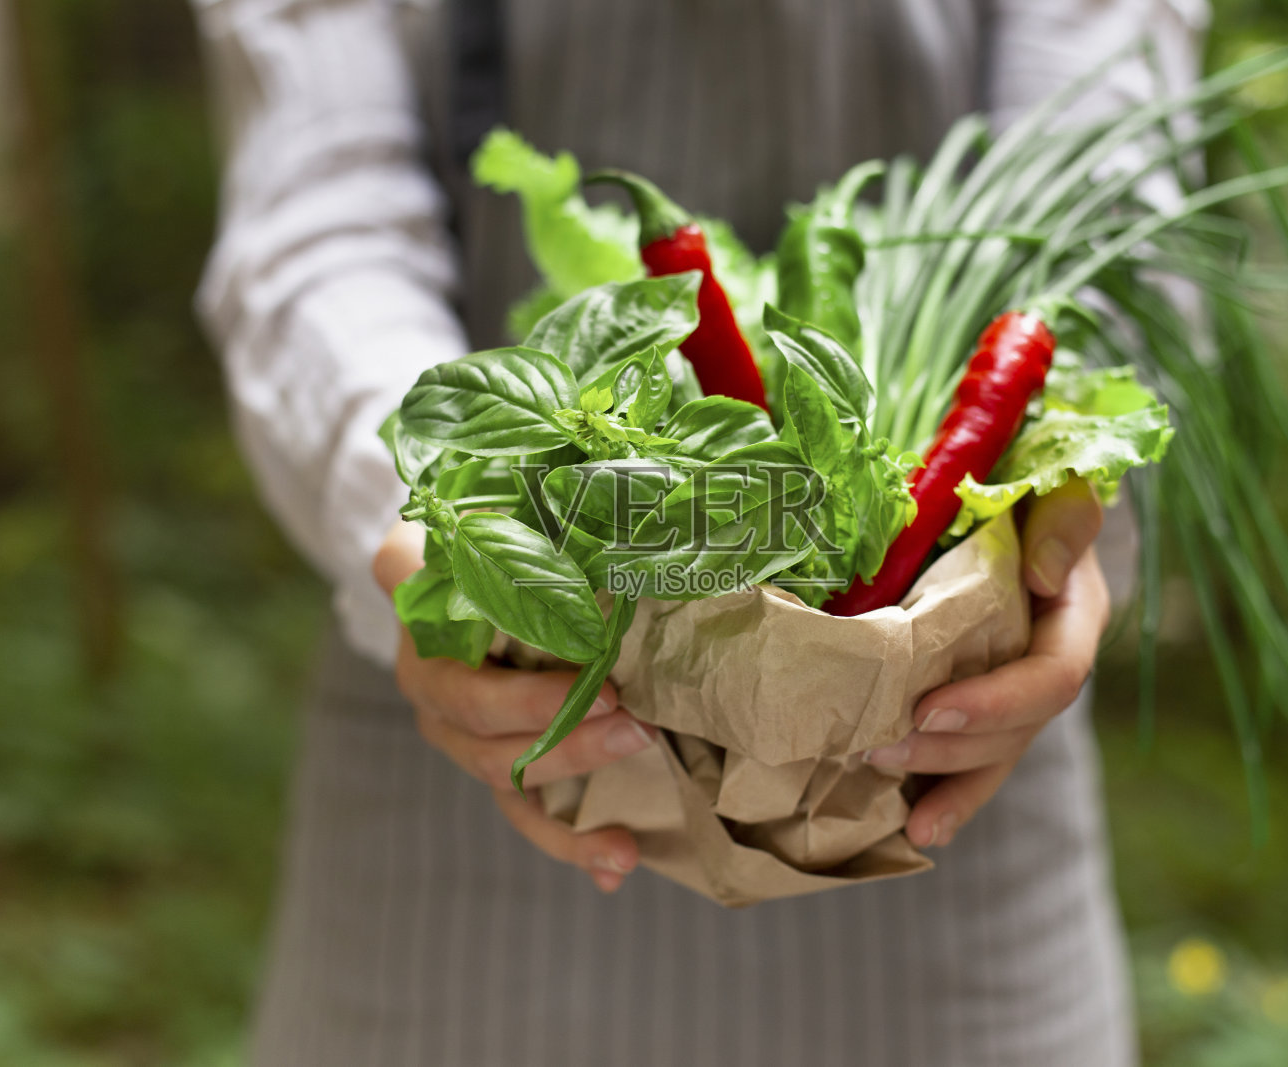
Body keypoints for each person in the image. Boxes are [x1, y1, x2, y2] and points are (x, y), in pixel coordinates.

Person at [192, 1, 1203, 1063]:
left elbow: (1107, 189)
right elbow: (320, 214)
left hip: (939, 811)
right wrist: (419, 513)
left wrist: (1056, 514)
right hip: (473, 776)